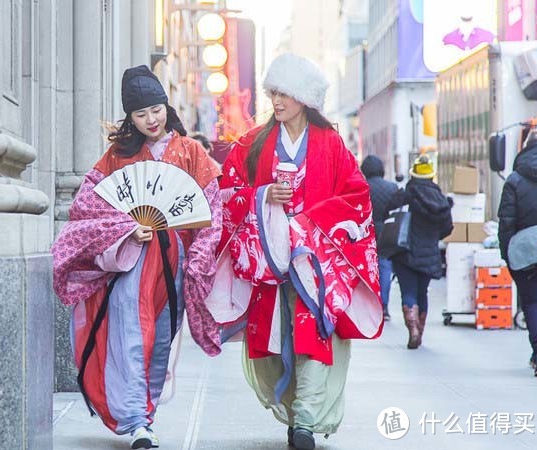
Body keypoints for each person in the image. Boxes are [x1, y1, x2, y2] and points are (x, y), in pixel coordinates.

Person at [212, 53, 383, 450]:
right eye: (274, 93)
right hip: (269, 262)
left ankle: (305, 419)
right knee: (272, 344)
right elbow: (227, 192)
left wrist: (310, 226)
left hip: (315, 263)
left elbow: (356, 196)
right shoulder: (253, 143)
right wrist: (262, 196)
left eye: (285, 94)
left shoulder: (330, 143)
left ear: (304, 98)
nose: (277, 102)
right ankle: (291, 412)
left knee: (313, 335)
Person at [51, 65, 222, 449]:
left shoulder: (191, 151)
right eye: (141, 114)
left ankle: (147, 413)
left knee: (161, 337)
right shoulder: (116, 156)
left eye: (156, 109)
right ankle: (135, 420)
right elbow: (86, 207)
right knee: (131, 333)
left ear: (167, 106)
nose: (151, 119)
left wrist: (198, 260)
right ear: (129, 118)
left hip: (173, 263)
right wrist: (126, 228)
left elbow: (211, 208)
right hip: (133, 260)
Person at [498, 128, 537, 377]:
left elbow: (506, 222)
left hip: (527, 252)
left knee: (533, 303)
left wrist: (509, 255)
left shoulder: (515, 180)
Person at [391, 155, 453, 349]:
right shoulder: (441, 200)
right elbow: (447, 228)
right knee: (421, 293)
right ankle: (421, 329)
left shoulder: (404, 195)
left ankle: (413, 329)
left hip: (405, 252)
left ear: (413, 174)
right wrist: (432, 238)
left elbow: (389, 216)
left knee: (408, 291)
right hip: (429, 254)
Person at [361, 154, 405, 321]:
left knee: (366, 270)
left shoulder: (362, 187)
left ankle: (367, 305)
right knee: (385, 269)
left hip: (366, 233)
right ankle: (383, 305)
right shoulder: (392, 187)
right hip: (387, 233)